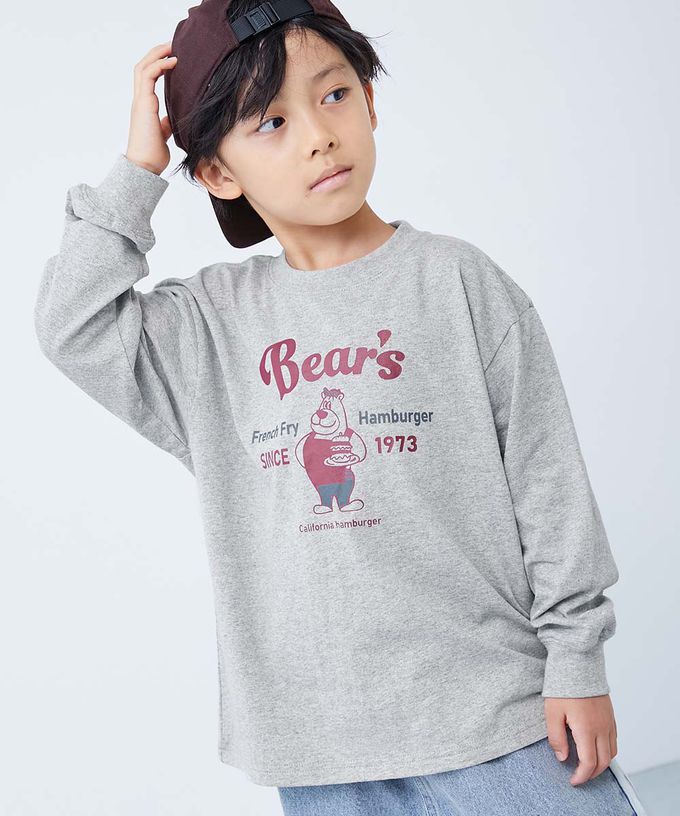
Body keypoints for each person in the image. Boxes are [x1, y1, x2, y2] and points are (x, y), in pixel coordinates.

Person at [33, 1, 648, 813]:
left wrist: (577, 661)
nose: (319, 136)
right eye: (271, 122)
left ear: (370, 102)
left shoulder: (458, 283)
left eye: (334, 95)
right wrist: (137, 173)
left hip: (498, 718)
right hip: (318, 750)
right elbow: (73, 325)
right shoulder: (206, 330)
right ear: (217, 173)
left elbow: (548, 485)